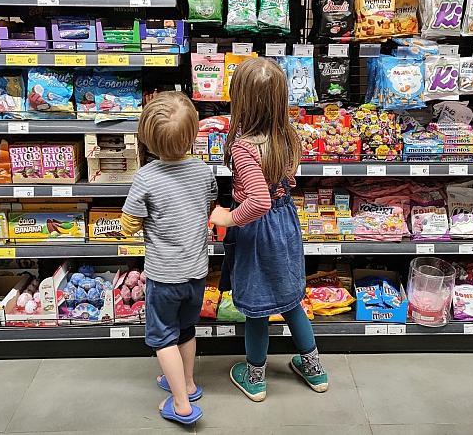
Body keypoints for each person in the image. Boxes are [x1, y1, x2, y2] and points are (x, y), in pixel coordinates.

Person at [210, 57, 328, 402]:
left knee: (258, 308)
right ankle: (314, 369)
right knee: (291, 300)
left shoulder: (244, 147)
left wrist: (226, 217)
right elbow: (288, 179)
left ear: (241, 99)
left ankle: (256, 377)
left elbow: (258, 201)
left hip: (258, 233)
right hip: (285, 225)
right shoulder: (287, 134)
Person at [121, 91, 217, 424]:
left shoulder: (146, 177)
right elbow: (207, 207)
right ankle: (188, 384)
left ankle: (181, 405)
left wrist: (135, 223)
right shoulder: (204, 172)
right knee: (187, 329)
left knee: (163, 338)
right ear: (193, 135)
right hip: (197, 272)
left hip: (164, 276)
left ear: (146, 139)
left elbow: (129, 224)